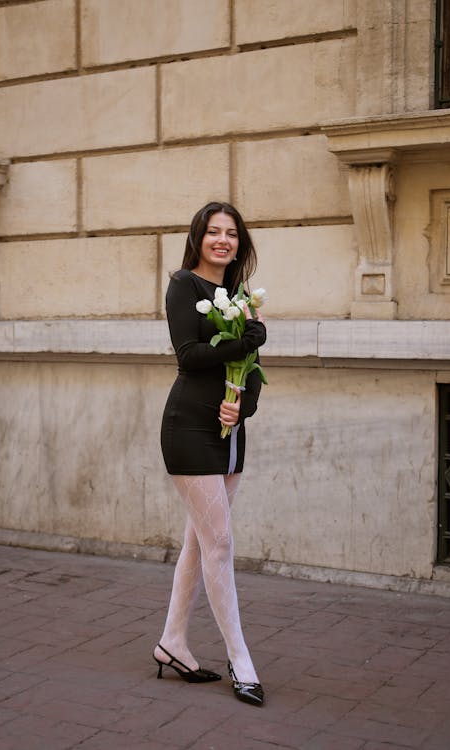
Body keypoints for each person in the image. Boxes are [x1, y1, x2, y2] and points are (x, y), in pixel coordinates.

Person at [154, 201, 267, 707]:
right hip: (188, 428)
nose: (223, 240)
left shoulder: (240, 297)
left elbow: (253, 376)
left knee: (200, 544)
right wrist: (244, 340)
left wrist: (241, 408)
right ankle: (240, 660)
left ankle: (172, 643)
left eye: (231, 234)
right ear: (198, 237)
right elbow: (190, 356)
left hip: (228, 434)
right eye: (213, 232)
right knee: (219, 541)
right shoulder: (184, 286)